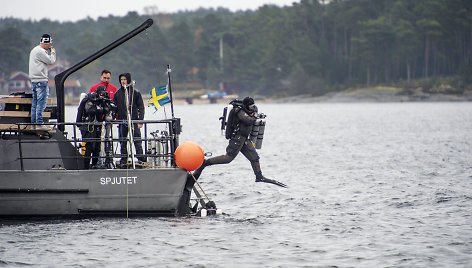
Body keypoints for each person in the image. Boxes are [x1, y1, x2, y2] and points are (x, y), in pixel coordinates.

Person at [192, 97, 287, 188]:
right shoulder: (240, 111)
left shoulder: (251, 111)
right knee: (228, 158)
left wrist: (256, 114)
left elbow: (252, 118)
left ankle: (259, 176)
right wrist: (255, 115)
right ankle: (205, 163)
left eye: (253, 106)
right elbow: (247, 120)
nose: (252, 108)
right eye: (250, 106)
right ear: (246, 106)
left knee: (254, 158)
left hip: (245, 139)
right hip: (237, 139)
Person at [76, 86, 114, 169]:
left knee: (97, 147)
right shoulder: (90, 100)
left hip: (97, 126)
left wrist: (107, 108)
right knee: (88, 147)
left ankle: (94, 164)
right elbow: (90, 110)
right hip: (88, 127)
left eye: (104, 94)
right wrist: (102, 110)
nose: (102, 96)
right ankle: (85, 166)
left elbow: (108, 113)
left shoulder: (103, 102)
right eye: (101, 94)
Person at [114, 73, 146, 165]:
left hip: (134, 121)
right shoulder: (117, 93)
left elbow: (141, 107)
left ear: (128, 80)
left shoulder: (135, 92)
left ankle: (141, 159)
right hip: (122, 121)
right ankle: (124, 159)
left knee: (137, 141)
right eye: (121, 80)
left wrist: (140, 120)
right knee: (123, 141)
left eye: (124, 79)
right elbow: (114, 108)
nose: (123, 81)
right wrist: (112, 118)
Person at [29, 33, 56, 129]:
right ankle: (39, 124)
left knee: (35, 103)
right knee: (41, 103)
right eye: (50, 44)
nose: (50, 46)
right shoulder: (41, 51)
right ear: (46, 43)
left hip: (34, 80)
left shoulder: (34, 50)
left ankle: (33, 125)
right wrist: (52, 52)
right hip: (41, 80)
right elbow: (51, 61)